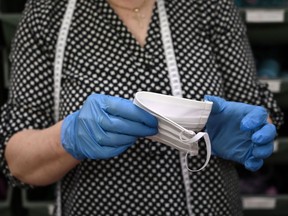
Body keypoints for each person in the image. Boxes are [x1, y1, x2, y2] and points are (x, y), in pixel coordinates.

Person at [0, 0, 284, 215]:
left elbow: (254, 107)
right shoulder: (47, 12)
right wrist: (68, 137)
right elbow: (17, 161)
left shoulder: (209, 6)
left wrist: (250, 130)